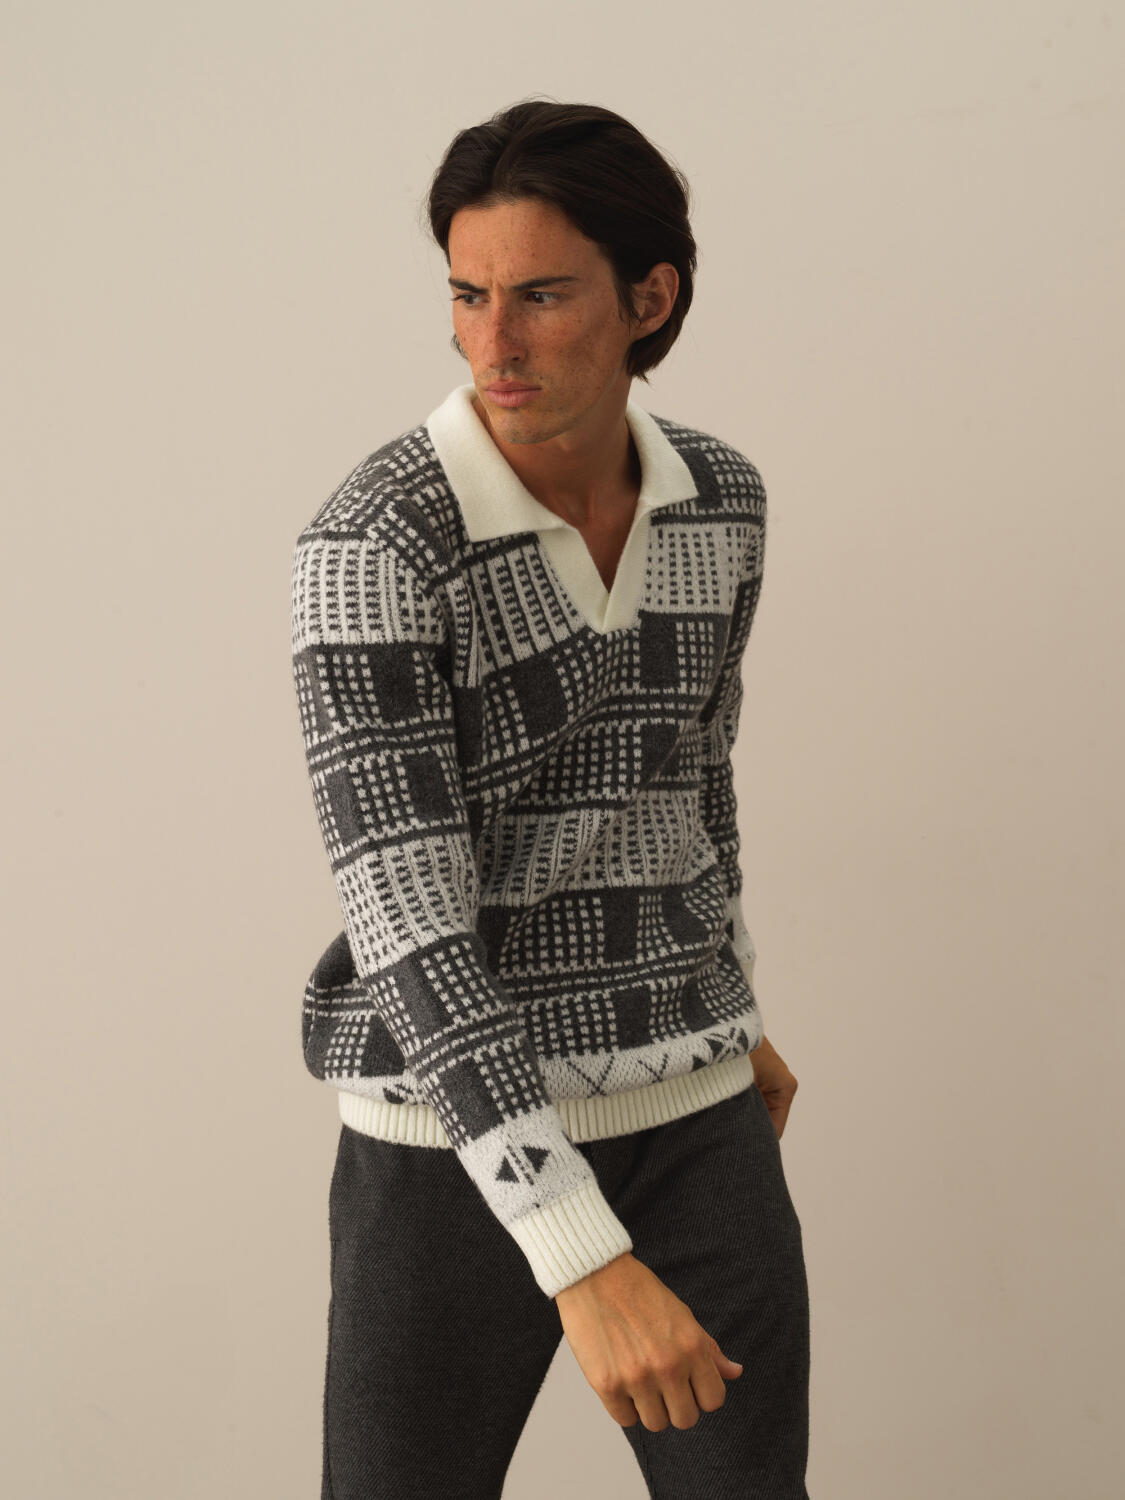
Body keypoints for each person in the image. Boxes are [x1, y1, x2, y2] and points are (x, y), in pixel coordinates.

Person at [290, 99, 811, 1499]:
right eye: (467, 296)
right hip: (447, 1140)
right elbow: (407, 921)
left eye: (539, 296)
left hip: (693, 1106)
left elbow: (692, 777)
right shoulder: (374, 544)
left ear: (650, 299)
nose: (492, 345)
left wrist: (732, 999)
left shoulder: (722, 501)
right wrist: (581, 1255)